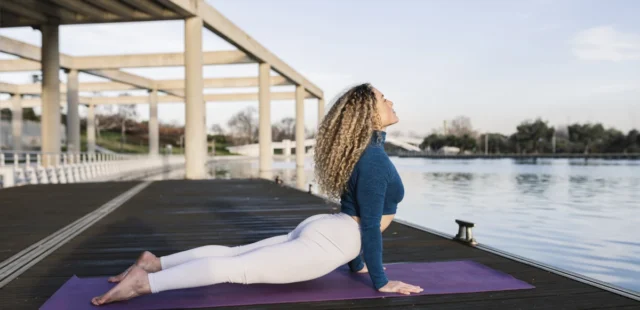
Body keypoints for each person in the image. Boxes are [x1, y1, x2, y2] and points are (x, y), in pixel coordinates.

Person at [91, 83, 423, 306]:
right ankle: (145, 283)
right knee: (237, 269)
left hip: (330, 227)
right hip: (338, 237)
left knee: (235, 255)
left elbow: (357, 209)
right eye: (383, 99)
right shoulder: (374, 160)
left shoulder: (364, 151)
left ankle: (155, 264)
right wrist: (380, 280)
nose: (390, 101)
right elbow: (368, 227)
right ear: (368, 115)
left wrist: (357, 266)